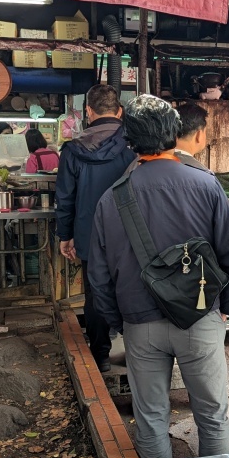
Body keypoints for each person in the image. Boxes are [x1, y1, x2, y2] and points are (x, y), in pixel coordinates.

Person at [88, 95, 229, 458]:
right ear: (174, 134)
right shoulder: (206, 185)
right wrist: (227, 307)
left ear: (129, 140)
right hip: (200, 315)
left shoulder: (111, 199)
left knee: (151, 418)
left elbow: (98, 275)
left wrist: (118, 321)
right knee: (211, 415)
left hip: (139, 323)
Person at [56, 85, 136, 372]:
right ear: (120, 111)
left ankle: (101, 354)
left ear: (88, 111)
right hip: (131, 232)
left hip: (90, 233)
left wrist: (65, 236)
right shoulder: (135, 146)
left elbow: (64, 198)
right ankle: (136, 351)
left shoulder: (73, 149)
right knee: (131, 287)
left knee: (96, 292)